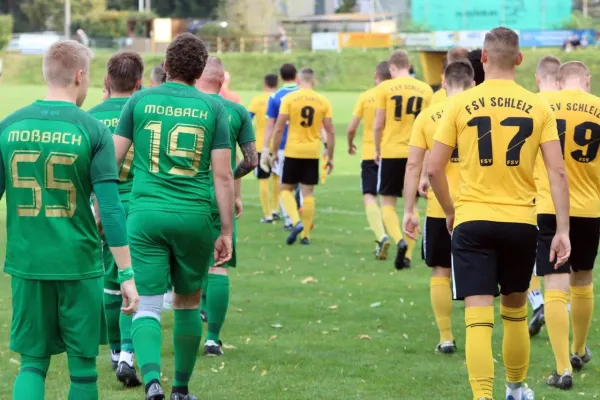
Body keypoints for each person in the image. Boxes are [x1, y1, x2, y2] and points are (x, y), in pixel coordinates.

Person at [428, 27, 571, 400]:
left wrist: (449, 210)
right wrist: (562, 230)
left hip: (472, 220)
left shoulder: (459, 104)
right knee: (515, 312)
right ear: (520, 60)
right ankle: (515, 387)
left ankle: (483, 396)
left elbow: (433, 168)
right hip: (522, 222)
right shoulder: (539, 105)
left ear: (484, 59)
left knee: (477, 318)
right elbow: (557, 172)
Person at [0, 40, 139, 399]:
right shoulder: (93, 130)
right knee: (82, 368)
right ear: (79, 76)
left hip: (27, 263)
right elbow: (110, 209)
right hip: (78, 264)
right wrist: (125, 274)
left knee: (32, 363)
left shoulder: (8, 126)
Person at [113, 33, 234, 400]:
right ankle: (180, 389)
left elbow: (113, 160)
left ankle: (151, 381)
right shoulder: (213, 108)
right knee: (187, 301)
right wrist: (225, 229)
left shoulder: (140, 99)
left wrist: (102, 205)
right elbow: (223, 175)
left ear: (166, 66)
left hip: (146, 213)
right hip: (194, 215)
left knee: (146, 302)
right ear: (200, 72)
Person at [534, 61, 600, 390]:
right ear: (587, 80)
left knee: (555, 286)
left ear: (558, 83)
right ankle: (578, 348)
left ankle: (563, 369)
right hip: (590, 207)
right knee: (584, 280)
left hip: (549, 205)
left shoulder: (542, 104)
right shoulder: (599, 107)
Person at [403, 60, 476, 356]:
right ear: (472, 84)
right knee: (478, 277)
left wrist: (409, 209)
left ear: (443, 84)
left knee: (440, 272)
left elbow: (413, 164)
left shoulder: (428, 115)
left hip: (439, 207)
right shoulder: (480, 110)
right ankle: (477, 337)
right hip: (477, 205)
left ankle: (446, 337)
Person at [89, 50, 144, 388]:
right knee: (134, 280)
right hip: (137, 206)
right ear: (139, 83)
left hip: (102, 207)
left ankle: (113, 352)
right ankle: (127, 352)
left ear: (107, 82)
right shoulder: (143, 114)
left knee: (111, 281)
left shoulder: (90, 117)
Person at [196, 56, 257, 356]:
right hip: (217, 198)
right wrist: (228, 183)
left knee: (184, 271)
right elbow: (251, 160)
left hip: (181, 196)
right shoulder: (235, 110)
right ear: (222, 82)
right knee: (218, 266)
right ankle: (212, 339)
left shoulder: (180, 107)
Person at [373, 49, 433, 270]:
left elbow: (379, 123)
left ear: (391, 68)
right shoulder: (425, 89)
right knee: (413, 203)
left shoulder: (385, 88)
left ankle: (398, 238)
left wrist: (377, 148)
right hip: (416, 152)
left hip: (391, 150)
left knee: (387, 202)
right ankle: (407, 254)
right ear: (409, 66)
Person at [272, 68, 335, 245]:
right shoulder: (323, 101)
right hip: (312, 152)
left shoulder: (289, 99)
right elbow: (330, 131)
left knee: (285, 189)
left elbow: (278, 127)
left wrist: (274, 152)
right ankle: (306, 235)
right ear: (313, 81)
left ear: (298, 80)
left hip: (293, 150)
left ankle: (295, 220)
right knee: (308, 193)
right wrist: (330, 156)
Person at [527, 55, 562, 338]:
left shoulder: (531, 105)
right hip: (577, 199)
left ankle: (539, 302)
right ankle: (563, 307)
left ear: (538, 78)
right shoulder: (585, 105)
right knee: (570, 263)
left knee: (532, 258)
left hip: (536, 196)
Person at [346, 61, 392, 259]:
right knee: (389, 201)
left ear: (376, 75)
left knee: (369, 196)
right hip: (392, 153)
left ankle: (381, 235)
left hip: (369, 153)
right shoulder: (396, 95)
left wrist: (350, 144)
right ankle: (403, 246)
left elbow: (351, 127)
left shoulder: (366, 96)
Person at [260, 63, 300, 230]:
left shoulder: (275, 97)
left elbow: (271, 125)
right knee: (303, 184)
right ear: (296, 75)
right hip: (304, 144)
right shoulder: (303, 95)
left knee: (285, 184)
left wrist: (265, 148)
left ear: (281, 77)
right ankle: (302, 216)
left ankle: (290, 220)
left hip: (283, 145)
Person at [248, 73, 279, 223]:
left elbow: (248, 119)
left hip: (261, 145)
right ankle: (276, 209)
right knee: (277, 177)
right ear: (277, 84)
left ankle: (267, 214)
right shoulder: (280, 98)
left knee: (263, 179)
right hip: (279, 145)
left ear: (264, 83)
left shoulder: (257, 100)